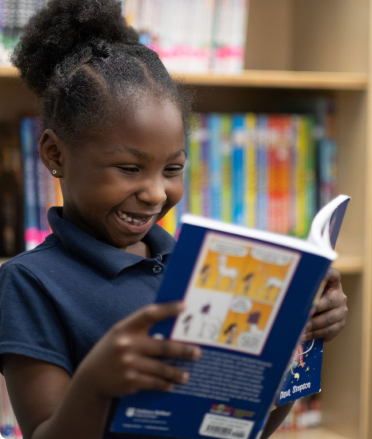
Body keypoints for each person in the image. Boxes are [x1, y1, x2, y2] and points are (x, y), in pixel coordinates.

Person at [0, 1, 348, 439]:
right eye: (129, 169)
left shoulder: (201, 269)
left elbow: (242, 427)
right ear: (54, 154)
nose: (156, 193)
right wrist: (96, 384)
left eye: (172, 169)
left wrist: (296, 344)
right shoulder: (29, 284)